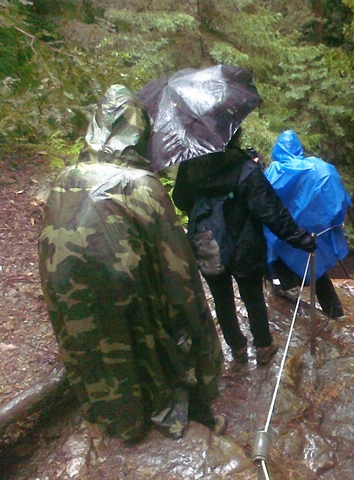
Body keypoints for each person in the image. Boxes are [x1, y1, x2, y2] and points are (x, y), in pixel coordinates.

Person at [38, 85, 225, 442]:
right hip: (128, 290)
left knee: (98, 348)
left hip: (69, 290)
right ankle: (182, 411)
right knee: (149, 339)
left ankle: (118, 419)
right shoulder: (141, 185)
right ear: (139, 134)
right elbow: (179, 276)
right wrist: (201, 345)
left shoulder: (65, 178)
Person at [172, 128, 316, 366]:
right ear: (234, 136)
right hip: (244, 244)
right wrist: (303, 240)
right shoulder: (246, 169)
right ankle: (263, 346)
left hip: (207, 242)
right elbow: (272, 213)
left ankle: (238, 348)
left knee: (221, 298)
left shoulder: (190, 167)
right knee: (252, 296)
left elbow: (180, 200)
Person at [264, 130, 352, 320]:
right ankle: (335, 311)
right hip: (315, 233)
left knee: (273, 244)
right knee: (316, 266)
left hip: (287, 235)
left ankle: (288, 287)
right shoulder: (319, 167)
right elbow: (337, 199)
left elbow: (264, 204)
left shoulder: (274, 171)